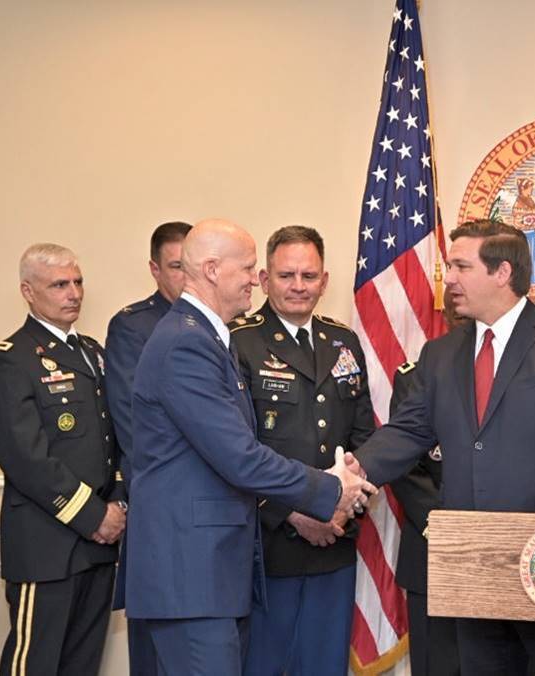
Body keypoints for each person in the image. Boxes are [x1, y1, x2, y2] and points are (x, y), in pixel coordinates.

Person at [354, 219, 535, 675]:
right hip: (474, 568)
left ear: (502, 272)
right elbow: (407, 432)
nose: (447, 277)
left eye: (460, 266)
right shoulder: (440, 355)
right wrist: (351, 475)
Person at [125, 218, 377, 675]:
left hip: (212, 575)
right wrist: (327, 489)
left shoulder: (202, 337)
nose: (252, 280)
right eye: (247, 268)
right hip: (192, 577)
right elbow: (240, 456)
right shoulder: (187, 343)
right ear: (212, 268)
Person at [231, 226, 375, 676]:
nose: (298, 286)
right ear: (263, 278)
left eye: (308, 276)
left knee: (324, 665)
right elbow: (234, 448)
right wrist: (294, 512)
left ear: (325, 280)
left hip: (335, 540)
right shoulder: (239, 341)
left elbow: (364, 435)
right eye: (287, 275)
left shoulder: (342, 341)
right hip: (270, 540)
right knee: (265, 665)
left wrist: (341, 510)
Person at [0, 243, 126, 675]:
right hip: (47, 545)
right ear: (28, 291)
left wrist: (117, 503)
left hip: (99, 543)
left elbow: (113, 439)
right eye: (59, 284)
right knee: (36, 665)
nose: (74, 293)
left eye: (77, 282)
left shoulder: (93, 353)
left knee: (83, 664)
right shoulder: (8, 359)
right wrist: (93, 515)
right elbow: (26, 459)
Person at [104, 220, 191, 675]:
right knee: (157, 650)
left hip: (212, 516)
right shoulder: (134, 326)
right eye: (176, 266)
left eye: (192, 265)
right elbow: (133, 425)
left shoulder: (224, 326)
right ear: (155, 269)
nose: (186, 276)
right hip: (160, 508)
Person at [388, 296, 464, 676]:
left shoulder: (522, 370)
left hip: (506, 546)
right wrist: (448, 528)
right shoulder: (416, 373)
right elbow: (403, 465)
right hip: (432, 546)